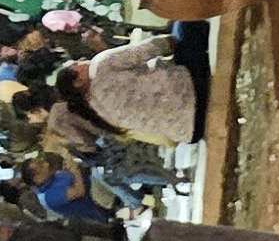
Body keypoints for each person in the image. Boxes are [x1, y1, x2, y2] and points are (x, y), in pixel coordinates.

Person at [62, 22, 213, 148]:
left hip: (191, 131)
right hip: (194, 95)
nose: (81, 59)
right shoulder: (97, 66)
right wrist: (171, 41)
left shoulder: (98, 115)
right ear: (78, 81)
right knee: (184, 26)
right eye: (76, 64)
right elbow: (153, 47)